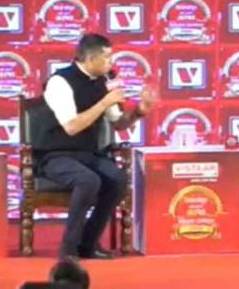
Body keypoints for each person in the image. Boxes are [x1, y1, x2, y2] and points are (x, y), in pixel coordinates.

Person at [39, 33, 156, 259]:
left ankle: (88, 244)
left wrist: (139, 111)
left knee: (117, 179)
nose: (111, 63)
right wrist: (104, 102)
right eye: (107, 58)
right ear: (91, 59)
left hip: (89, 154)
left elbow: (118, 123)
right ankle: (68, 248)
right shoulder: (60, 81)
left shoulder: (104, 82)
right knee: (88, 180)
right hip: (55, 155)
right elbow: (71, 127)